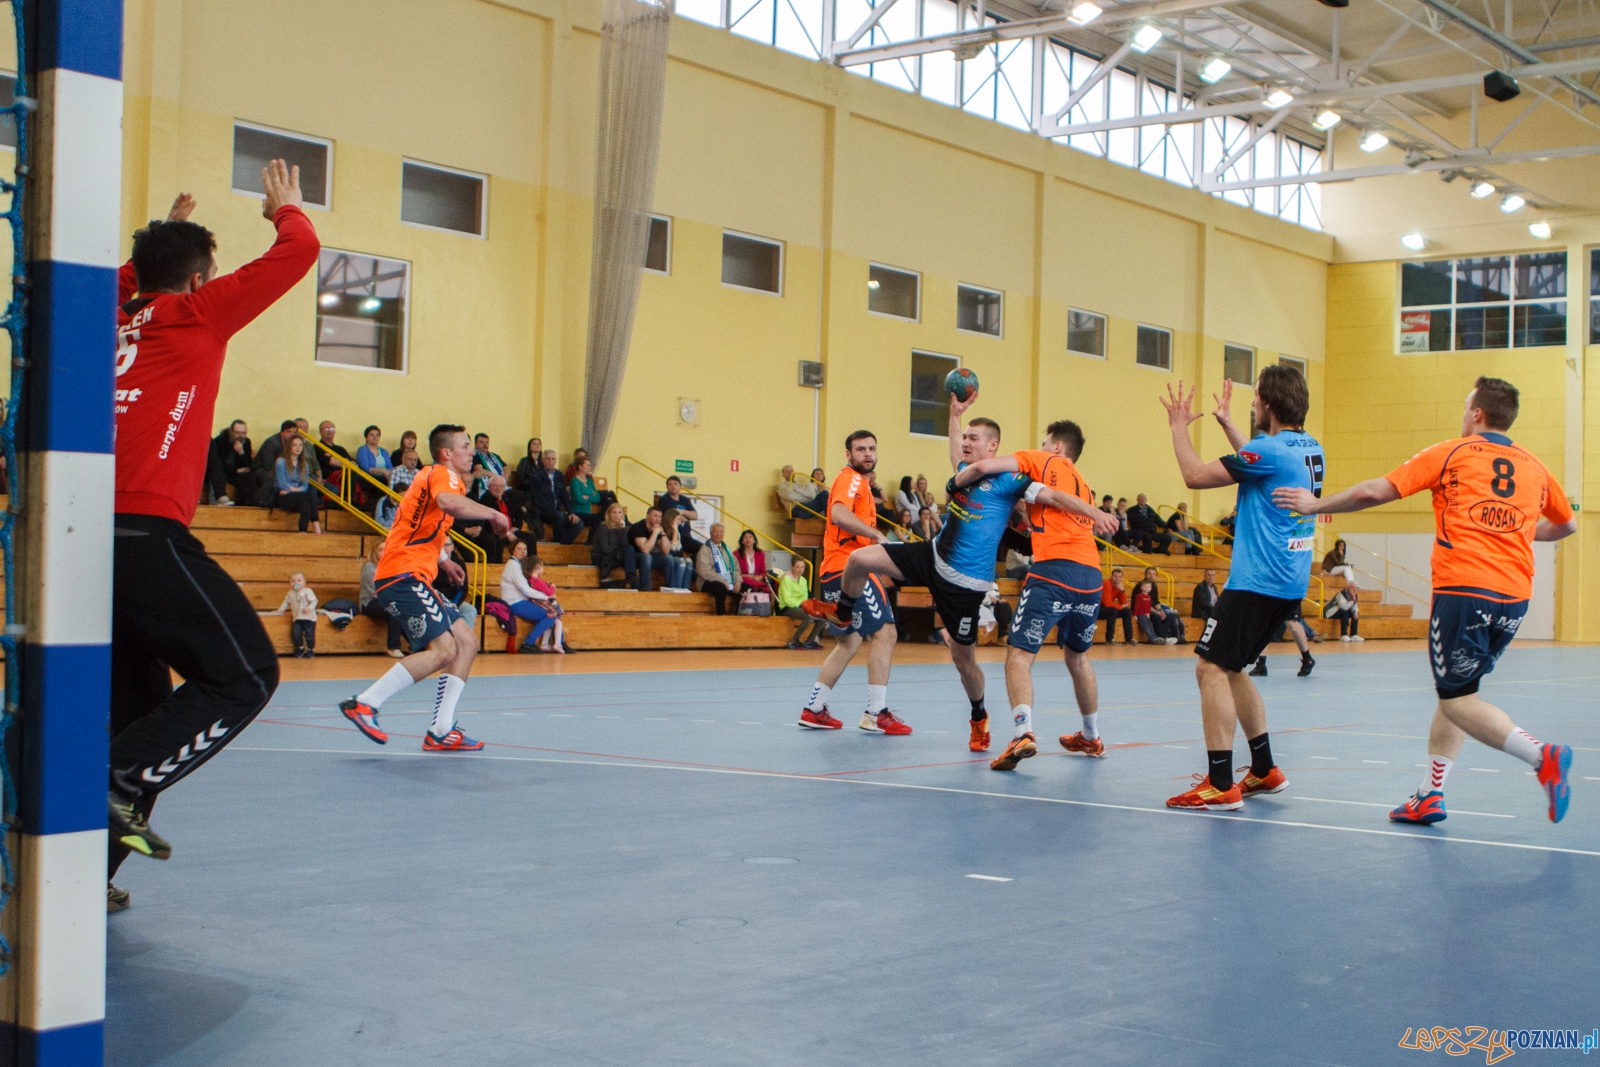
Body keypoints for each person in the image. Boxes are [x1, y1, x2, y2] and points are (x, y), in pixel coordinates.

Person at [107, 165, 317, 894]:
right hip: (144, 534)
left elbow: (119, 281)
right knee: (246, 675)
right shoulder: (196, 314)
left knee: (140, 714)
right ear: (198, 281)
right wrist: (287, 211)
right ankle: (120, 778)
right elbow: (297, 254)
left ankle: (81, 874)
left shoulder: (108, 313)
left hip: (76, 543)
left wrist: (158, 245)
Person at [1274, 376, 1577, 825]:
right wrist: (1514, 531)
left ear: (1477, 414)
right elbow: (1567, 527)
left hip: (1464, 591)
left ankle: (1542, 757)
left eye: (1465, 405)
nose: (1462, 413)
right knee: (1458, 691)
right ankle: (1430, 794)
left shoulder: (1452, 452)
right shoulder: (1534, 466)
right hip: (1514, 598)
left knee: (1457, 701)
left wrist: (1315, 505)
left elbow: (1374, 491)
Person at [1160, 370, 1319, 811]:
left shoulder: (1267, 449)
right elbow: (1263, 465)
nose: (1251, 406)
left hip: (1257, 580)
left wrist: (1177, 428)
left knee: (1208, 669)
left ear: (1268, 404)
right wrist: (1231, 426)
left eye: (1255, 401)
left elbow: (1194, 475)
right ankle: (1265, 769)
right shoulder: (1308, 447)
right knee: (1233, 669)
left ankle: (1219, 783)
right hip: (1288, 577)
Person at [949, 421, 1120, 765]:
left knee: (1019, 655)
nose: (1039, 447)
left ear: (1056, 447)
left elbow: (982, 466)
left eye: (1044, 442)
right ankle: (1091, 736)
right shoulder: (1083, 484)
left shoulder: (1040, 461)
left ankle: (1021, 733)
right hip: (1089, 576)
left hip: (1054, 570)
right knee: (1077, 657)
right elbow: (1046, 506)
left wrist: (955, 483)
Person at [339, 425, 514, 752]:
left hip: (414, 574)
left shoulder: (438, 479)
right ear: (446, 452)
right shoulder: (443, 477)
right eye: (464, 445)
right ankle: (364, 703)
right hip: (401, 576)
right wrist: (492, 512)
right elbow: (450, 504)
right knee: (444, 650)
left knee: (466, 642)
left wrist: (443, 562)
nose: (471, 451)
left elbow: (422, 529)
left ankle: (441, 729)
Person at [794, 430, 906, 734]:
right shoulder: (851, 479)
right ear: (849, 455)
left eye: (872, 448)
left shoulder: (863, 486)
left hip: (833, 570)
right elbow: (839, 514)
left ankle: (814, 708)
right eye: (860, 449)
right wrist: (876, 536)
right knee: (886, 633)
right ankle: (876, 712)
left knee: (849, 641)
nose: (867, 454)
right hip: (851, 568)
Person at [501, 541, 563, 653]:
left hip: (523, 600)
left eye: (525, 549)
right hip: (515, 602)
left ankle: (560, 642)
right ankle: (528, 643)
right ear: (512, 550)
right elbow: (525, 589)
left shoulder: (521, 565)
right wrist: (546, 596)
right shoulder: (513, 565)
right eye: (519, 549)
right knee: (551, 614)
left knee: (555, 606)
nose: (523, 551)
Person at [527, 449, 583, 545]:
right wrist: (553, 510)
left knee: (578, 522)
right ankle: (557, 543)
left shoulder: (559, 475)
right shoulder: (536, 476)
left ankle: (562, 544)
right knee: (559, 515)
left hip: (557, 512)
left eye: (553, 459)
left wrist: (571, 512)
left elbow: (564, 495)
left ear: (555, 460)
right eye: (548, 459)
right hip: (542, 512)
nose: (550, 461)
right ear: (543, 460)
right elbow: (537, 499)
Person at [471, 474, 531, 563]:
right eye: (495, 486)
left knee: (531, 537)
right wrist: (507, 533)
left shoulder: (508, 497)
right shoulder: (486, 499)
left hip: (511, 530)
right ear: (489, 486)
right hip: (496, 532)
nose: (498, 488)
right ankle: (496, 567)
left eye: (500, 486)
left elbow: (519, 514)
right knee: (498, 539)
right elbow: (490, 523)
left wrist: (516, 527)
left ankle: (530, 566)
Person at [360, 542, 405, 657]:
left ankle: (418, 645)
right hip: (369, 602)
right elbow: (374, 591)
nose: (384, 552)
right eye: (381, 549)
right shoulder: (369, 567)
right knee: (395, 608)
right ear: (375, 552)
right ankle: (393, 647)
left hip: (389, 600)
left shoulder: (393, 566)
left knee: (406, 608)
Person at [273, 435, 323, 534]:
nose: (298, 448)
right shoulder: (281, 462)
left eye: (300, 445)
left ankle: (302, 532)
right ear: (289, 447)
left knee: (306, 505)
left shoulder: (305, 465)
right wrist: (297, 489)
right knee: (311, 495)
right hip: (283, 497)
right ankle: (316, 524)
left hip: (295, 495)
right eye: (295, 445)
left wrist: (295, 490)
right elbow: (282, 484)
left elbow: (305, 486)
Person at [263, 571, 318, 657]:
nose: (296, 583)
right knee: (296, 634)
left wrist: (309, 608)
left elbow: (314, 601)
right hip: (297, 618)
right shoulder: (290, 593)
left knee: (309, 635)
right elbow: (286, 602)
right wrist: (279, 610)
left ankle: (310, 649)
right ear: (290, 583)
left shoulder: (308, 591)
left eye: (299, 580)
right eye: (293, 581)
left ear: (304, 582)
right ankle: (300, 648)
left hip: (309, 618)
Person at [630, 507, 685, 591]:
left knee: (668, 558)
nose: (658, 519)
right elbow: (645, 549)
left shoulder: (657, 527)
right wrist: (655, 533)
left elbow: (666, 551)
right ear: (647, 516)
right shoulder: (638, 527)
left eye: (660, 516)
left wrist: (662, 533)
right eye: (655, 516)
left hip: (649, 558)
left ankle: (670, 589)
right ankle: (646, 589)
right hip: (634, 558)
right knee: (647, 556)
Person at [252, 419, 301, 506]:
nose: (291, 434)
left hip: (280, 469)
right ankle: (263, 501)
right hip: (260, 469)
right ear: (281, 433)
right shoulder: (272, 443)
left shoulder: (293, 444)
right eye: (288, 431)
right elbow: (268, 465)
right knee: (273, 478)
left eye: (294, 432)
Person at [778, 559, 825, 649]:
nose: (800, 569)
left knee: (823, 616)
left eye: (802, 567)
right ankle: (794, 640)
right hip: (787, 608)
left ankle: (810, 640)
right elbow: (788, 599)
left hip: (801, 606)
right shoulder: (786, 580)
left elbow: (804, 597)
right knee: (810, 616)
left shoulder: (803, 580)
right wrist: (802, 605)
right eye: (797, 567)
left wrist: (804, 605)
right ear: (792, 567)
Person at [695, 524, 739, 614]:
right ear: (711, 533)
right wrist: (720, 579)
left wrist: (738, 581)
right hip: (707, 581)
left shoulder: (727, 549)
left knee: (744, 588)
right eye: (716, 531)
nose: (718, 534)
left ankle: (738, 616)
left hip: (728, 580)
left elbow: (736, 567)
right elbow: (703, 570)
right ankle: (721, 615)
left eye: (721, 531)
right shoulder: (705, 549)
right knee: (720, 587)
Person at [591, 502, 637, 589]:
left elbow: (625, 546)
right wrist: (618, 548)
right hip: (602, 558)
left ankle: (630, 576)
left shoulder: (621, 527)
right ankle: (631, 577)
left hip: (615, 556)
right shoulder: (603, 527)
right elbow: (605, 549)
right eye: (614, 512)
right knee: (625, 551)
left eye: (619, 512)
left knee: (629, 548)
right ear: (609, 514)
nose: (617, 515)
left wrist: (623, 529)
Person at [206, 420, 252, 505]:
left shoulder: (246, 442)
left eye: (244, 433)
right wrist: (236, 471)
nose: (241, 436)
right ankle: (219, 500)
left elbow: (248, 466)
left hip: (235, 473)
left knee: (247, 477)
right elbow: (218, 465)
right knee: (219, 475)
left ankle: (242, 505)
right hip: (224, 472)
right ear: (231, 431)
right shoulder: (220, 441)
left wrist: (241, 453)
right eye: (237, 433)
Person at [356, 424, 394, 503]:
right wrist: (382, 471)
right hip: (368, 478)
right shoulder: (362, 450)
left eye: (377, 435)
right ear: (366, 437)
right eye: (371, 435)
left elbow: (390, 467)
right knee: (383, 482)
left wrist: (388, 474)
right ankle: (377, 505)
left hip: (385, 477)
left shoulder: (383, 451)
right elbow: (365, 468)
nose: (375, 437)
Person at [660, 509, 695, 590]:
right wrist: (675, 532)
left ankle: (685, 588)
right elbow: (672, 549)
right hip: (665, 556)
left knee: (689, 561)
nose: (680, 522)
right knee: (681, 562)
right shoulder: (664, 530)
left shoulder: (677, 531)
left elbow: (678, 548)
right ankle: (677, 588)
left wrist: (676, 532)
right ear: (671, 519)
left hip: (675, 555)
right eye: (678, 519)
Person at [568, 456, 603, 528]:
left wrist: (587, 497)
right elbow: (579, 499)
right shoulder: (575, 481)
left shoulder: (589, 481)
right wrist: (591, 496)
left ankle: (592, 539)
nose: (589, 467)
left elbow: (597, 498)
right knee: (597, 518)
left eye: (590, 465)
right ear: (580, 466)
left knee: (601, 519)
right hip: (578, 512)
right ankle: (590, 539)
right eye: (587, 465)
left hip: (587, 512)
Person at [1100, 569, 1133, 644]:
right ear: (1111, 576)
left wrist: (1122, 591)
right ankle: (1110, 638)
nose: (1118, 578)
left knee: (1127, 611)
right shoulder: (1106, 583)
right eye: (1115, 576)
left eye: (1120, 577)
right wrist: (1120, 607)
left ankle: (1129, 639)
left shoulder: (1119, 585)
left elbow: (1124, 603)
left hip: (1108, 609)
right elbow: (1107, 603)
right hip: (1098, 609)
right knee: (1112, 610)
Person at [733, 529, 768, 594]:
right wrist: (749, 576)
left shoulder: (760, 553)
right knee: (752, 589)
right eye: (745, 537)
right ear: (742, 541)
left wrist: (759, 577)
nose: (748, 539)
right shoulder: (736, 553)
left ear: (754, 540)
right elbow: (735, 572)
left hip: (757, 580)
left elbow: (763, 571)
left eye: (750, 537)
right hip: (743, 580)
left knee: (765, 590)